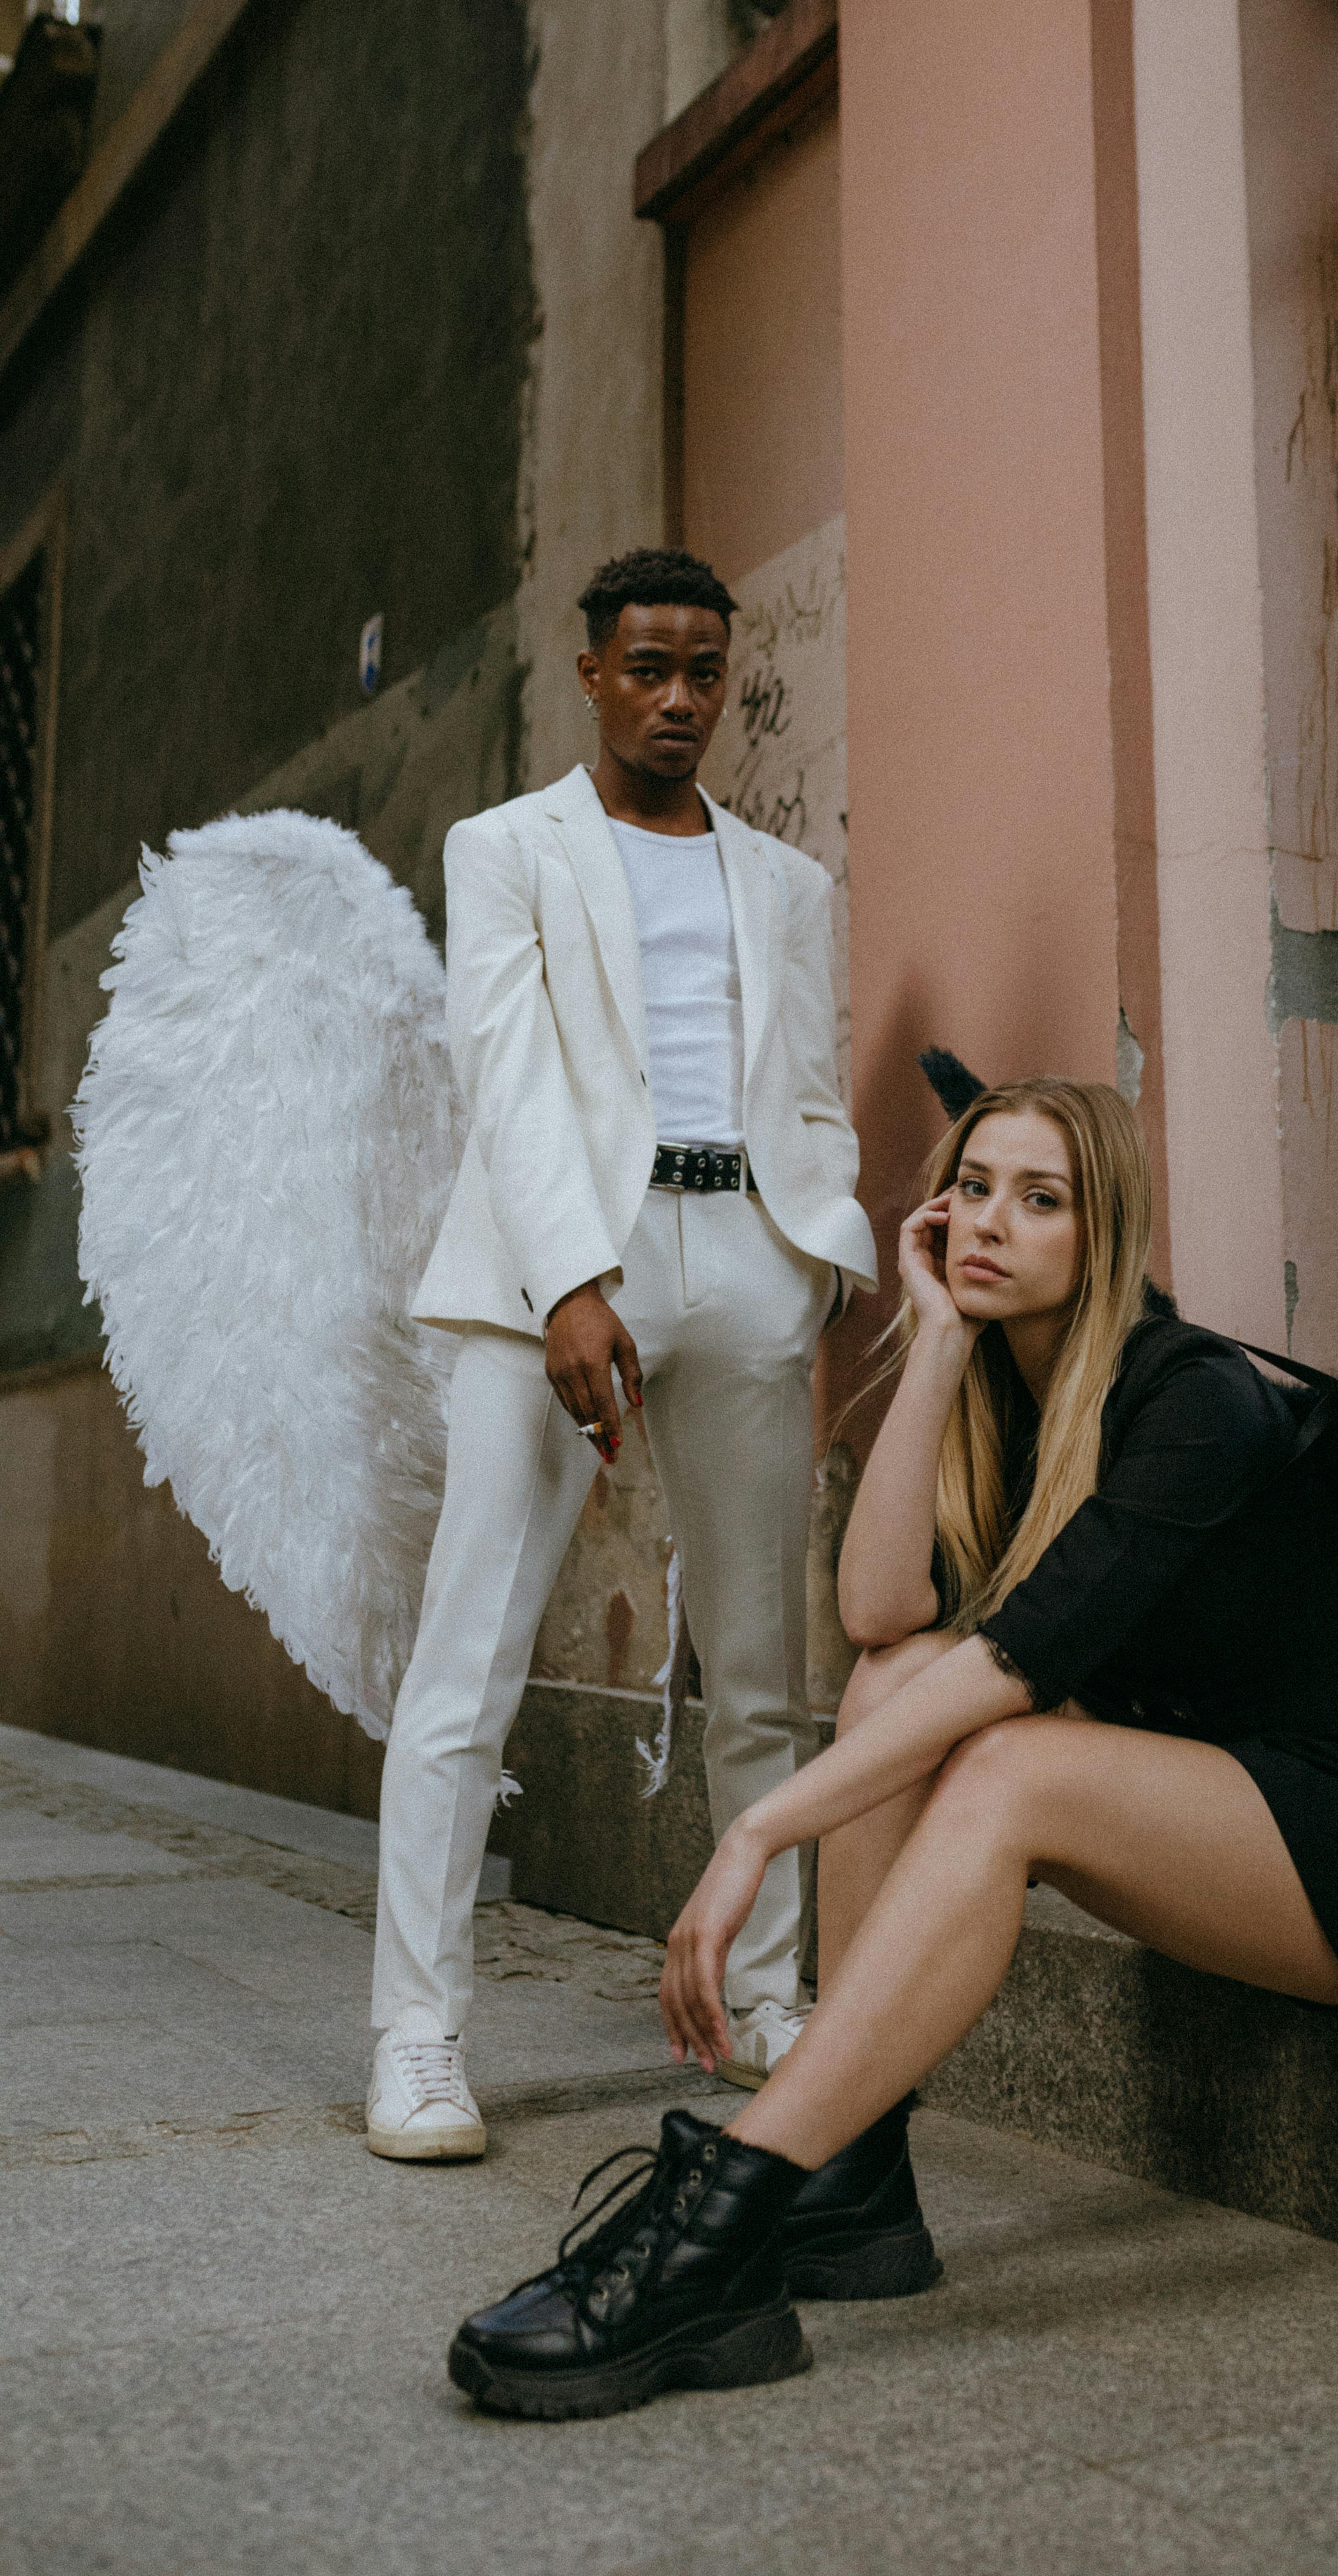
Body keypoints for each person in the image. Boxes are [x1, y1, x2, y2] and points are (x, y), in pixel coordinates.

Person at [445, 1076, 1338, 2417]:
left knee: (1001, 1761)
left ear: (1107, 1234)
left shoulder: (1193, 1403)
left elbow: (1019, 1669)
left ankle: (718, 2222)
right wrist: (942, 1346)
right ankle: (851, 2188)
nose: (989, 1222)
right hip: (1220, 1792)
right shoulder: (1011, 1399)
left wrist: (758, 1829)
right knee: (897, 1682)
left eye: (1042, 1199)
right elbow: (880, 1616)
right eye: (971, 1188)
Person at [365, 546, 875, 2162]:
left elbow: (802, 1084)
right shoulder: (505, 849)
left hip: (745, 1264)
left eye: (705, 671)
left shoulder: (790, 886)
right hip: (555, 1263)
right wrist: (571, 1280)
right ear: (593, 672)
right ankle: (420, 2039)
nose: (679, 699)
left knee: (763, 1671)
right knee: (470, 1661)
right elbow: (503, 1073)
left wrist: (824, 1251)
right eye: (648, 667)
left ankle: (769, 1999)